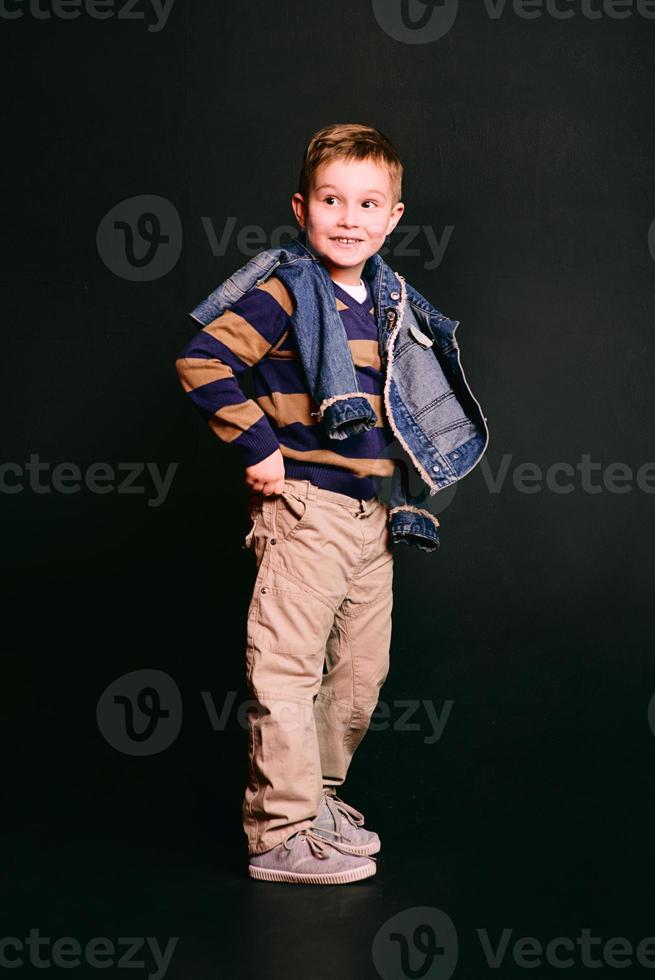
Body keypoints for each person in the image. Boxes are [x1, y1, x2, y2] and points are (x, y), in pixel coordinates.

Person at [175, 122, 487, 884]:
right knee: (286, 670)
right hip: (305, 509)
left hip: (372, 516)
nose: (348, 218)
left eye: (367, 203)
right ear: (301, 208)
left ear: (393, 218)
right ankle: (278, 832)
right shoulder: (286, 290)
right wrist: (259, 447)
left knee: (357, 676)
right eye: (330, 200)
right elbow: (202, 359)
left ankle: (314, 797)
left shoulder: (392, 306)